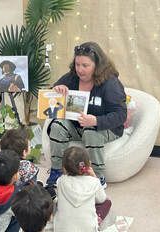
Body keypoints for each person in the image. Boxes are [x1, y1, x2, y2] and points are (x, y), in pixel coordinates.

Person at [46, 41, 127, 188]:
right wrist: (57, 89)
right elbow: (51, 94)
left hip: (106, 128)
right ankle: (57, 171)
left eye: (85, 65)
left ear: (97, 65)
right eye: (77, 64)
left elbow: (121, 115)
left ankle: (97, 177)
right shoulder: (71, 77)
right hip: (76, 126)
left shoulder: (111, 83)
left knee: (91, 131)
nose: (80, 70)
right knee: (57, 126)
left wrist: (96, 121)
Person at [54, 146, 111, 232]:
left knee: (58, 202)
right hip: (88, 229)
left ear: (64, 168)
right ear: (89, 165)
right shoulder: (94, 182)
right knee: (107, 202)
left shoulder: (60, 181)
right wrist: (94, 176)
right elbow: (102, 199)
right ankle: (96, 220)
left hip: (61, 229)